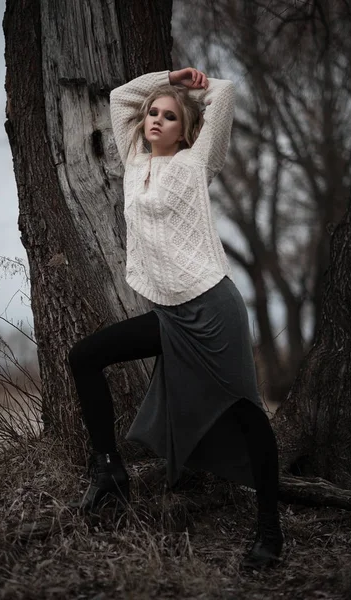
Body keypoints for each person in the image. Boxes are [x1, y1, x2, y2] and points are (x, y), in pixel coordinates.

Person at [67, 67, 284, 570]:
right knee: (84, 357)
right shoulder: (133, 161)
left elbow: (225, 93)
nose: (157, 120)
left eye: (169, 117)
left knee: (246, 411)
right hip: (168, 314)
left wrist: (193, 89)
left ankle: (269, 531)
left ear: (185, 130)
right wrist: (168, 77)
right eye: (154, 114)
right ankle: (108, 471)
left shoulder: (195, 162)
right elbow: (123, 97)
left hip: (212, 307)